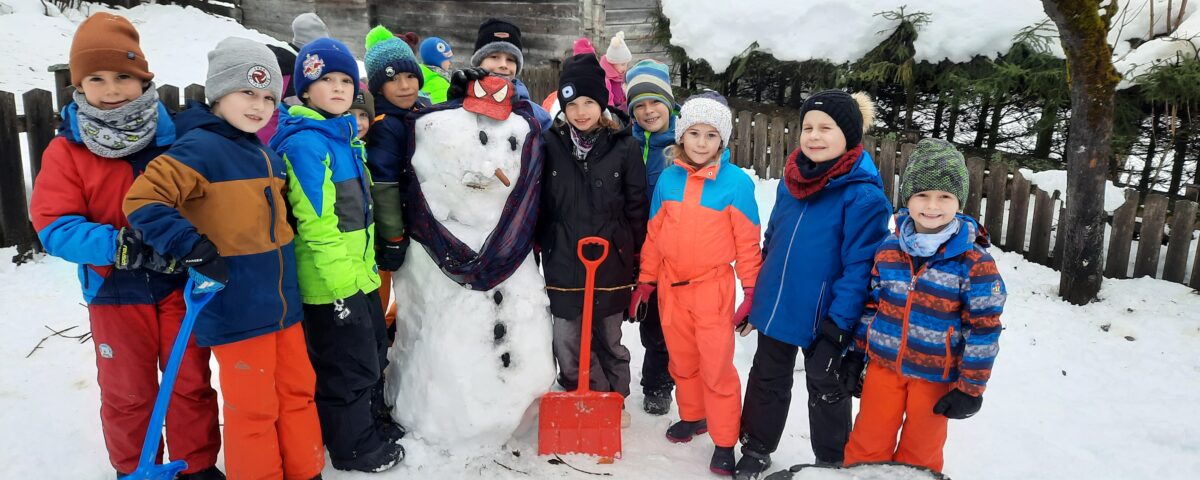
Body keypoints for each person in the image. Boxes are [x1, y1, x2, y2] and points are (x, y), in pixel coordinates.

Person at [28, 12, 223, 479]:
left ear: (143, 79)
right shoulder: (68, 150)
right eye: (96, 78)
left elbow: (206, 200)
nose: (111, 89)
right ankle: (136, 468)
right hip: (114, 290)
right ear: (79, 86)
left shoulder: (176, 139)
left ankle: (195, 466)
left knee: (189, 382)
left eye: (123, 76)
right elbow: (53, 224)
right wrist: (115, 244)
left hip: (179, 285)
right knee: (128, 392)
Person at [123, 37, 324, 480]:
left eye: (268, 97)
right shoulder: (200, 149)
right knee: (253, 410)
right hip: (237, 309)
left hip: (283, 306)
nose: (259, 106)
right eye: (247, 92)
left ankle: (306, 471)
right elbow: (142, 200)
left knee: (298, 394)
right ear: (218, 93)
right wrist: (192, 247)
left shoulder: (264, 153)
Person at [734, 90, 891, 479]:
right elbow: (774, 239)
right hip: (779, 305)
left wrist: (839, 327)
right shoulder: (792, 181)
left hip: (826, 315)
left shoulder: (863, 195)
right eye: (808, 127)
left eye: (826, 128)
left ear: (849, 135)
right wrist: (759, 298)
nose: (814, 136)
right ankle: (756, 447)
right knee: (767, 377)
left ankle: (832, 462)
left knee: (826, 384)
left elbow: (861, 269)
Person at [269, 37, 404, 473]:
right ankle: (353, 448)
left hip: (358, 275)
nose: (339, 88)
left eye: (346, 80)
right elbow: (316, 226)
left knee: (372, 354)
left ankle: (370, 425)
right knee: (347, 367)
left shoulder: (344, 138)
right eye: (326, 80)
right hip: (330, 284)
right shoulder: (307, 144)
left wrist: (363, 274)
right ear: (305, 89)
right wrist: (342, 284)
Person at [843, 138, 1006, 473]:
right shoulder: (890, 249)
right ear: (908, 197)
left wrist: (971, 388)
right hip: (883, 370)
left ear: (959, 201)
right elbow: (872, 306)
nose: (932, 206)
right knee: (866, 445)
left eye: (944, 196)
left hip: (936, 377)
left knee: (920, 455)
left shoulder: (973, 261)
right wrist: (856, 355)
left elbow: (984, 328)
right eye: (922, 195)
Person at [631, 92, 762, 476]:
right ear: (681, 136)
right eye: (694, 133)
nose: (701, 143)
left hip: (711, 288)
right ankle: (693, 415)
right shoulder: (667, 179)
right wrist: (646, 282)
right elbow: (654, 236)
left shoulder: (736, 183)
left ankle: (724, 439)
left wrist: (751, 291)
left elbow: (748, 244)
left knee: (716, 368)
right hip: (671, 287)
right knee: (682, 361)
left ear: (722, 140)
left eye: (710, 135)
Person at [537, 53, 647, 429]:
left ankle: (614, 399)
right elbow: (539, 202)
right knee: (566, 339)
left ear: (602, 103)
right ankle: (583, 395)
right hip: (563, 259)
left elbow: (636, 208)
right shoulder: (549, 144)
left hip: (611, 260)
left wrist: (636, 259)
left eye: (588, 102)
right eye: (572, 104)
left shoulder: (624, 147)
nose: (580, 112)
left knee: (609, 337)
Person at [623, 58, 678, 416]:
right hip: (628, 244)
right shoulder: (622, 141)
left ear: (669, 102)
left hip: (668, 251)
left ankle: (658, 384)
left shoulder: (685, 144)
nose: (648, 111)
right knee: (621, 314)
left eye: (655, 101)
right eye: (639, 104)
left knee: (660, 322)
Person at [455, 18, 552, 129]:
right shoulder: (461, 96)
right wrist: (455, 101)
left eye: (510, 59)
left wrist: (519, 108)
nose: (503, 65)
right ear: (478, 62)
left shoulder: (534, 114)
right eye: (494, 57)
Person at [259, 12, 330, 144]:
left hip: (255, 137)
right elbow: (302, 114)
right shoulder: (297, 71)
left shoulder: (273, 61)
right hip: (277, 142)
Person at [599, 31, 632, 110]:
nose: (625, 68)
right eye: (622, 64)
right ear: (612, 63)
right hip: (612, 109)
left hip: (624, 106)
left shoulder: (624, 75)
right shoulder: (605, 78)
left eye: (626, 64)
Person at [418, 36, 453, 104]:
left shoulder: (420, 74)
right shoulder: (440, 84)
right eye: (447, 59)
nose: (449, 63)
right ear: (437, 60)